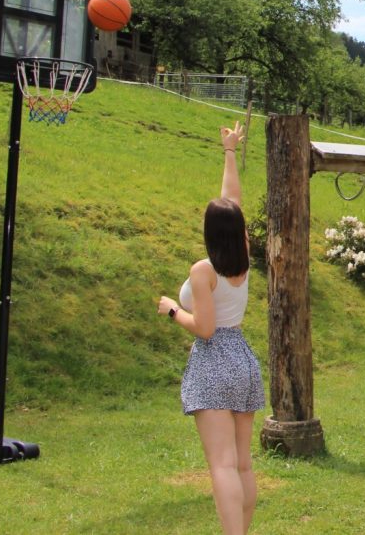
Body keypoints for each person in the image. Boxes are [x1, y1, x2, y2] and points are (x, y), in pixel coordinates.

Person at [157, 121, 264, 535]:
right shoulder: (244, 259)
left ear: (208, 233)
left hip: (214, 361)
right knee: (241, 463)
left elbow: (203, 328)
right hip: (242, 358)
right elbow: (231, 201)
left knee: (220, 465)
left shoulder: (203, 271)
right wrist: (229, 152)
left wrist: (170, 310)